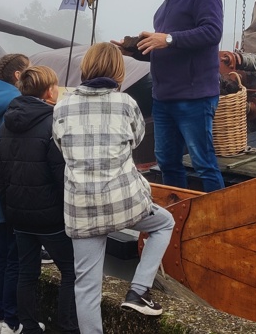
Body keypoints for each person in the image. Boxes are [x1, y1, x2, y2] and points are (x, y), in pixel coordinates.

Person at [53, 42, 175, 334]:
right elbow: (136, 138)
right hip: (123, 202)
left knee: (86, 284)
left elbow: (61, 145)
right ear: (118, 70)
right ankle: (138, 290)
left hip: (81, 207)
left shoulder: (62, 105)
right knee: (164, 223)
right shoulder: (125, 103)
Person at [113, 0, 225, 192]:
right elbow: (164, 52)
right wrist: (134, 50)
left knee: (203, 163)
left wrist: (168, 38)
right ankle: (177, 216)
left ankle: (218, 225)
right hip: (163, 100)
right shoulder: (162, 9)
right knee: (167, 163)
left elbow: (212, 32)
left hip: (194, 97)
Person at [0, 66, 79, 334]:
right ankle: (68, 327)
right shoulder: (52, 122)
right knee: (71, 270)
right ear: (49, 91)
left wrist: (9, 209)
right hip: (49, 215)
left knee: (26, 272)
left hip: (18, 213)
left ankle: (30, 327)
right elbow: (59, 174)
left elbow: (1, 171)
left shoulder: (7, 122)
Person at [0, 53, 30, 334]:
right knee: (15, 256)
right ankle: (11, 320)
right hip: (10, 187)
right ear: (17, 75)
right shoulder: (16, 104)